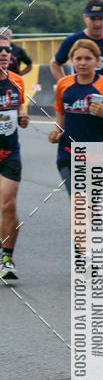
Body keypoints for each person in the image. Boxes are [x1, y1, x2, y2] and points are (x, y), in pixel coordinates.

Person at [48, 40, 103, 251]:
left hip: (95, 154)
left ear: (97, 61)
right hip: (67, 152)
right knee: (79, 202)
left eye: (87, 58)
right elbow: (60, 110)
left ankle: (86, 244)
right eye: (78, 59)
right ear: (72, 61)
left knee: (88, 206)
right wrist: (57, 130)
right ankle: (83, 254)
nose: (82, 63)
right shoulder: (64, 84)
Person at [50, 0, 103, 158]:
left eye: (100, 18)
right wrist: (66, 84)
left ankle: (93, 179)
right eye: (93, 19)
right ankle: (80, 179)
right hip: (78, 102)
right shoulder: (73, 40)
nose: (97, 23)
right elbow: (54, 63)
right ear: (85, 18)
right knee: (74, 153)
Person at [0, 33, 28, 279]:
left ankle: (6, 258)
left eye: (7, 50)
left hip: (9, 152)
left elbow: (18, 108)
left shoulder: (17, 81)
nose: (3, 53)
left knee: (8, 205)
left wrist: (22, 116)